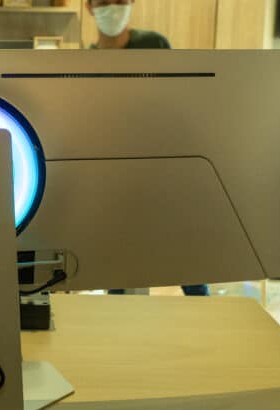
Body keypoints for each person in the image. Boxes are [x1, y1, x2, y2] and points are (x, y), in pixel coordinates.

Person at [87, 0, 209, 296]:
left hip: (163, 166)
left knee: (183, 253)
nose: (112, 7)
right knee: (118, 258)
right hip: (116, 173)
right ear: (89, 6)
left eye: (120, 1)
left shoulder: (154, 45)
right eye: (104, 1)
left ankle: (203, 308)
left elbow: (176, 99)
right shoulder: (86, 62)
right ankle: (119, 316)